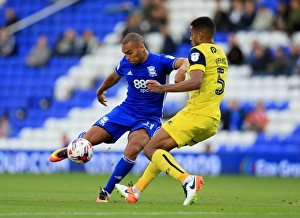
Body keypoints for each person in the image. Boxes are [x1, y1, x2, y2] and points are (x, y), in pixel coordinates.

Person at [49, 32, 186, 203]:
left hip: (148, 118)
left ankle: (106, 191)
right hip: (125, 111)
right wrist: (100, 90)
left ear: (141, 47)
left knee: (133, 148)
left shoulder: (159, 61)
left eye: (130, 52)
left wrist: (182, 70)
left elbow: (185, 61)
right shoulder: (126, 62)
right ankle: (72, 148)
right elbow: (114, 76)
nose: (127, 57)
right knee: (90, 140)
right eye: (124, 54)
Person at [115, 16, 228, 206]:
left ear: (200, 35)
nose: (190, 39)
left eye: (192, 35)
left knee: (151, 149)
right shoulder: (220, 54)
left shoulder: (197, 51)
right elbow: (199, 75)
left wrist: (162, 88)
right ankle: (135, 191)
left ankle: (187, 180)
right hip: (212, 119)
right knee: (161, 150)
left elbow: (196, 82)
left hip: (196, 114)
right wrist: (183, 70)